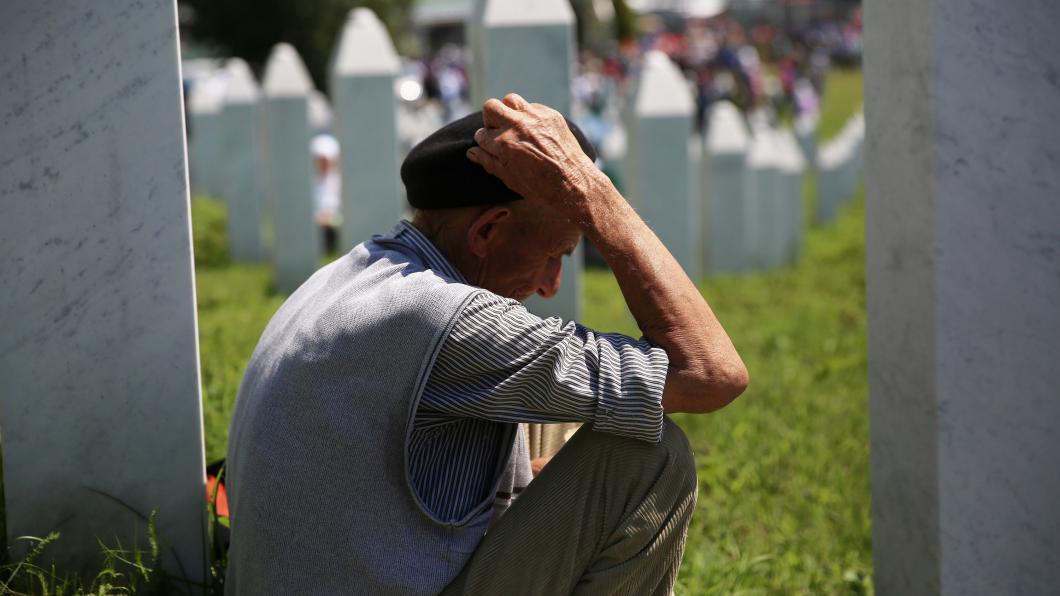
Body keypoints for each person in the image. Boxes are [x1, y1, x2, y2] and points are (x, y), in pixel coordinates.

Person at [224, 94, 748, 595]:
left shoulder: (358, 272)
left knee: (569, 417)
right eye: (556, 253)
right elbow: (710, 372)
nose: (551, 285)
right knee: (649, 455)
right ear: (489, 231)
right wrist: (594, 195)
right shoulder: (449, 320)